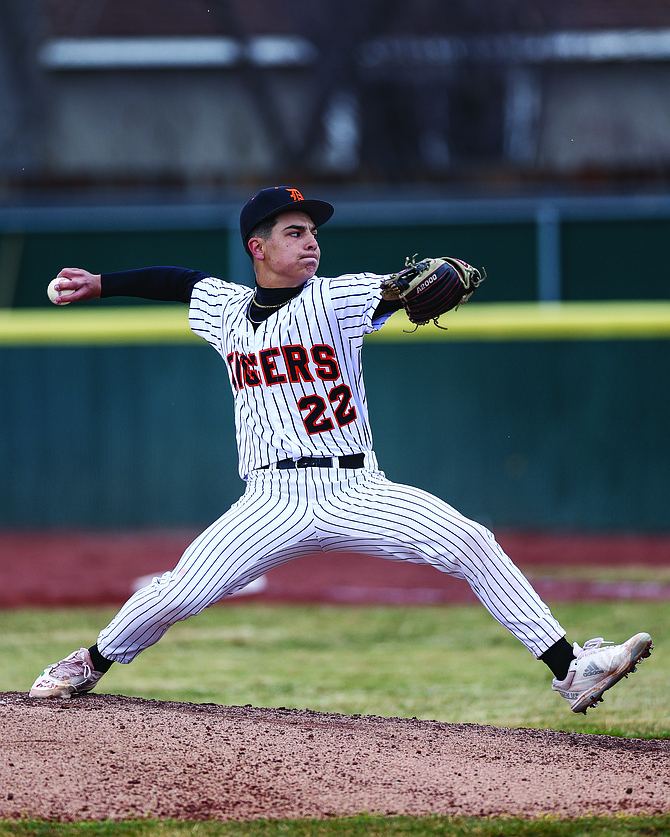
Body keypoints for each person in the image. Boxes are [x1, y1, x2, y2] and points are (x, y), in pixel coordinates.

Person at [30, 186, 653, 714]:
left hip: (355, 489)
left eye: (314, 232)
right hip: (268, 501)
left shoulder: (335, 298)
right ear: (259, 246)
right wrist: (100, 283)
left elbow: (394, 288)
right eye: (295, 231)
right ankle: (90, 661)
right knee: (180, 593)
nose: (311, 242)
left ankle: (572, 668)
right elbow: (176, 282)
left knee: (469, 540)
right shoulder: (224, 310)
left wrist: (428, 280)